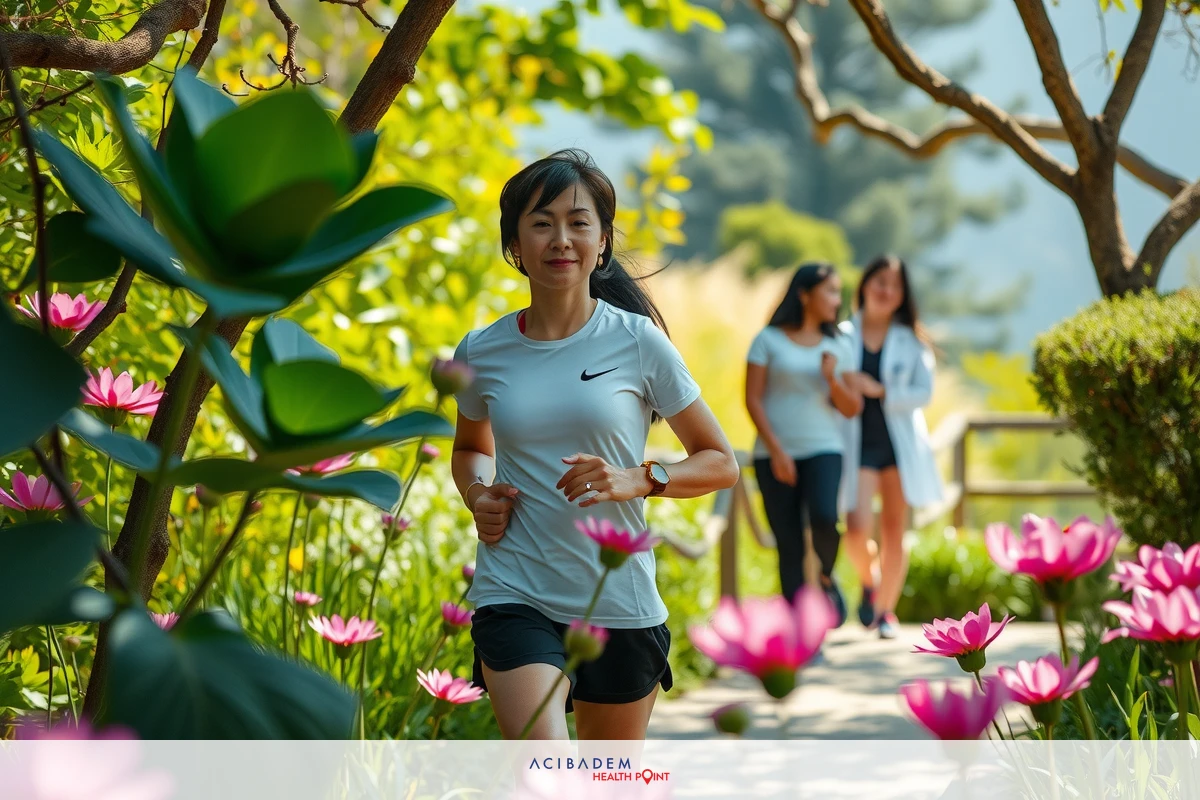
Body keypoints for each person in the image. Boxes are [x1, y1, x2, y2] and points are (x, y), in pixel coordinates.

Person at [450, 149, 739, 741]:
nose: (561, 239)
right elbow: (469, 449)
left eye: (578, 222)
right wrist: (478, 494)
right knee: (543, 768)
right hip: (514, 590)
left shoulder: (638, 342)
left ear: (602, 242)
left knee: (607, 780)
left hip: (618, 601)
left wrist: (640, 478)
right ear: (515, 244)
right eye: (541, 222)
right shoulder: (481, 350)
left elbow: (721, 463)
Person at [744, 262, 861, 625]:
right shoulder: (768, 340)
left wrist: (832, 379)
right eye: (830, 291)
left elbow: (852, 407)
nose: (837, 300)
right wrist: (777, 452)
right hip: (773, 455)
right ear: (804, 294)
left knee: (826, 518)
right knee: (789, 544)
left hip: (824, 448)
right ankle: (800, 633)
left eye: (838, 292)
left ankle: (826, 575)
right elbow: (752, 399)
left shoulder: (838, 345)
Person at [838, 256, 943, 639]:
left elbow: (924, 392)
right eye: (880, 281)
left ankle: (885, 612)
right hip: (858, 445)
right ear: (865, 284)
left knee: (894, 529)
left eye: (895, 285)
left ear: (902, 296)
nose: (886, 290)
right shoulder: (842, 334)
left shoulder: (911, 341)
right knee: (855, 529)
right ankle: (871, 581)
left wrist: (881, 391)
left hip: (899, 449)